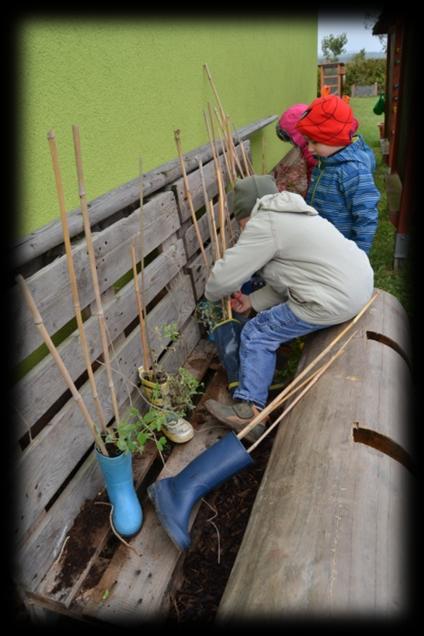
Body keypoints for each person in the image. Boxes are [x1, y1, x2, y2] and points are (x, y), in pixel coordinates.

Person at [203, 175, 374, 438]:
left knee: (257, 332)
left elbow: (222, 280)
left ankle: (250, 411)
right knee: (265, 323)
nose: (242, 229)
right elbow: (292, 278)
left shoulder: (264, 223)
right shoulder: (292, 214)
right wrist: (252, 301)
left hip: (333, 298)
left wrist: (212, 292)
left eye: (240, 223)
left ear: (246, 213)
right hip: (357, 286)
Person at [295, 94, 380, 254]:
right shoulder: (326, 160)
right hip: (323, 241)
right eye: (308, 142)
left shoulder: (354, 171)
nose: (310, 148)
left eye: (315, 142)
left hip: (341, 247)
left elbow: (366, 216)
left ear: (334, 138)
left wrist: (359, 254)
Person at [274, 103, 318, 192]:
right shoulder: (308, 143)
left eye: (291, 139)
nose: (292, 143)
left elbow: (314, 175)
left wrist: (310, 194)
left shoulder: (312, 152)